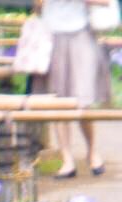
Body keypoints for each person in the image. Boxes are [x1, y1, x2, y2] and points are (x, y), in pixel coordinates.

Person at [33, 0, 112, 177]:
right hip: (52, 35)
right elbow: (38, 6)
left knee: (82, 100)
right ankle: (67, 159)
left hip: (81, 34)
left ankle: (92, 151)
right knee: (59, 100)